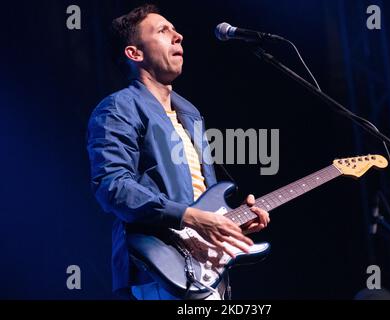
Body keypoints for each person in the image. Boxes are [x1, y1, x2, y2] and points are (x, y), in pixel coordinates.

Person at [86, 3, 270, 300]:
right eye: (163, 30)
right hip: (159, 270)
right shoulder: (118, 108)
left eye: (175, 29)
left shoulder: (190, 113)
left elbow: (202, 199)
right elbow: (112, 187)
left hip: (205, 273)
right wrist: (190, 216)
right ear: (134, 53)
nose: (179, 36)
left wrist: (231, 221)